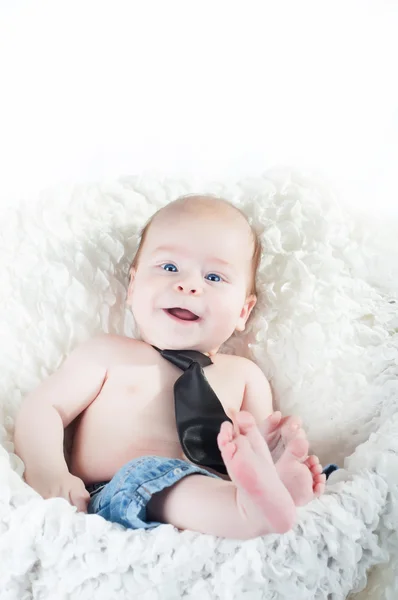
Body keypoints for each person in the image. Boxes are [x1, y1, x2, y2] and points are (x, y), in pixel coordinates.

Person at [14, 194, 326, 540]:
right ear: (133, 287)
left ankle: (265, 499)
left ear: (242, 311)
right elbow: (44, 408)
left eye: (214, 277)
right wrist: (47, 470)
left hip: (214, 498)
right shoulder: (108, 353)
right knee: (151, 474)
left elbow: (253, 447)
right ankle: (253, 510)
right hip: (118, 494)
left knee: (250, 471)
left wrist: (274, 453)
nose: (189, 285)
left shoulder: (244, 375)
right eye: (169, 267)